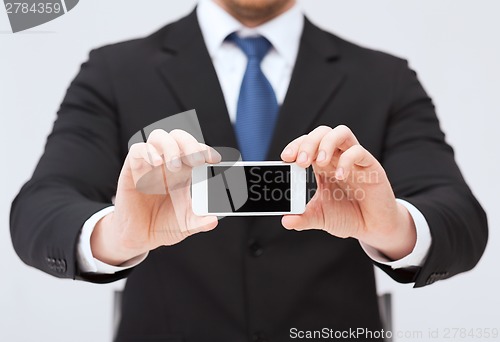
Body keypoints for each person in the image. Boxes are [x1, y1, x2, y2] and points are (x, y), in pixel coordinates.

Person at [10, 0, 488, 341]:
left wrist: (395, 226)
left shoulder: (385, 79)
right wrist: (117, 236)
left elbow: (460, 218)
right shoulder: (114, 71)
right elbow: (41, 206)